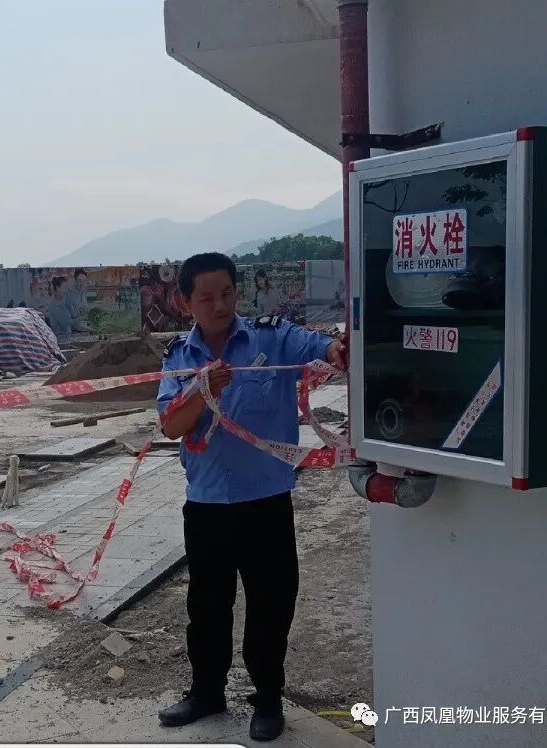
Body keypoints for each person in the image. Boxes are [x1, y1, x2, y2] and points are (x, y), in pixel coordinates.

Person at [156, 252, 347, 742]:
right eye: (206, 298)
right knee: (207, 606)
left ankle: (267, 698)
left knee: (271, 603)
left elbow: (319, 347)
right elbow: (171, 426)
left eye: (227, 294)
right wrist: (201, 390)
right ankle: (207, 692)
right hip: (207, 505)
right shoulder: (179, 358)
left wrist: (335, 349)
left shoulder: (270, 337)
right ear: (185, 302)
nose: (219, 306)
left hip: (266, 503)